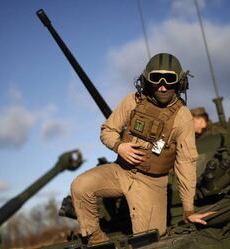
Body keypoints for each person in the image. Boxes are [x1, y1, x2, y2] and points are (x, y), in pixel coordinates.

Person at [71, 53, 213, 244]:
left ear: (179, 82)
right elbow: (108, 130)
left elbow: (186, 163)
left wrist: (189, 209)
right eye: (156, 78)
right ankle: (96, 240)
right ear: (147, 80)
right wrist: (119, 147)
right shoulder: (132, 101)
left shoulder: (183, 117)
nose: (162, 85)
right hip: (120, 171)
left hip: (151, 183)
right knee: (80, 186)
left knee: (146, 241)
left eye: (169, 79)